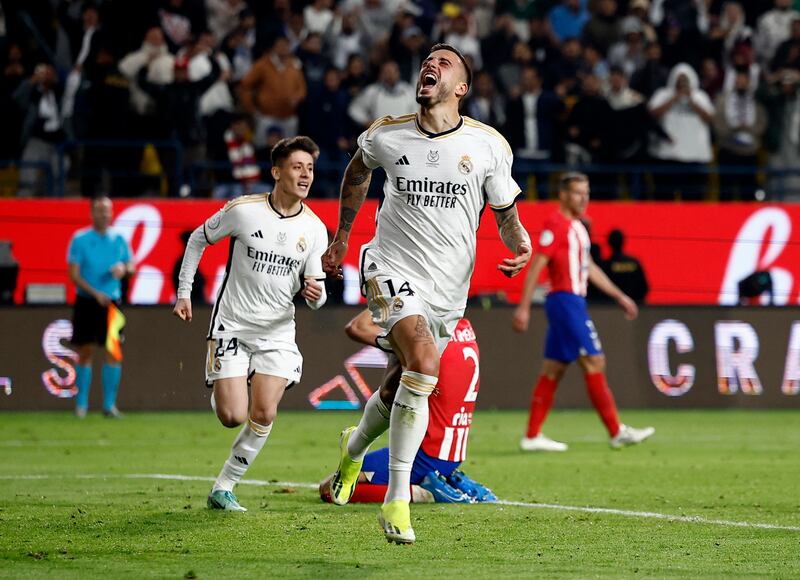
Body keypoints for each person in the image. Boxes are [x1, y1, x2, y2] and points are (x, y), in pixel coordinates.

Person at [322, 43, 531, 544]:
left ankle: (352, 453)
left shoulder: (488, 146)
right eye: (427, 62)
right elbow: (357, 172)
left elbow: (505, 215)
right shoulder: (387, 134)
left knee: (399, 385)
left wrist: (519, 243)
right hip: (389, 267)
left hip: (446, 291)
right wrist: (342, 238)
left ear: (461, 88)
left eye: (445, 64)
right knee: (424, 363)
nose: (430, 67)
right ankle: (398, 501)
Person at [172, 136, 328, 512]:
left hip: (277, 333)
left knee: (264, 413)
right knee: (232, 416)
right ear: (277, 172)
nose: (305, 175)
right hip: (233, 327)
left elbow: (318, 295)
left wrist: (315, 295)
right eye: (297, 167)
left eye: (309, 168)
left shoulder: (315, 229)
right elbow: (197, 239)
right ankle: (227, 385)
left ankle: (224, 487)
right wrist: (183, 292)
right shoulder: (244, 211)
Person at [511, 173, 654, 452]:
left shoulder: (577, 227)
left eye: (586, 192)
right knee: (594, 360)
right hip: (565, 301)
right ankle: (616, 431)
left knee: (554, 368)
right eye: (578, 193)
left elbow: (589, 268)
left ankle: (532, 436)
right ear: (563, 195)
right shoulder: (557, 224)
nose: (583, 198)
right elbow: (539, 264)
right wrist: (524, 306)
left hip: (571, 301)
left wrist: (619, 296)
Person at [319, 311, 496, 504]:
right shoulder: (463, 327)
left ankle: (428, 493)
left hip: (423, 455)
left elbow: (357, 327)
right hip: (452, 454)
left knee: (328, 488)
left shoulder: (423, 339)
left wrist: (391, 297)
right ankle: (449, 481)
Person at [67, 196, 135, 418]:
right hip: (87, 301)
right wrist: (95, 293)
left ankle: (109, 405)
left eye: (107, 211)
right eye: (100, 211)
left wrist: (124, 269)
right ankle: (82, 405)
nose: (104, 215)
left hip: (112, 304)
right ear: (92, 213)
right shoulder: (80, 239)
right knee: (85, 351)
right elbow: (74, 274)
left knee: (113, 352)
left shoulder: (119, 239)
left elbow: (132, 265)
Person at [603, 229, 649, 304]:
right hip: (634, 305)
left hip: (612, 308)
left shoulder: (606, 265)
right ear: (623, 242)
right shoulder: (634, 263)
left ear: (609, 243)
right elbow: (644, 287)